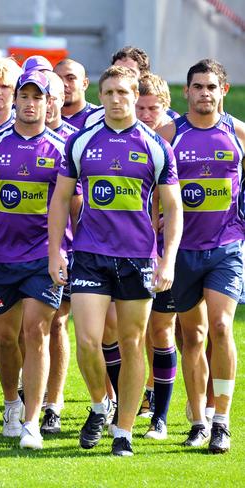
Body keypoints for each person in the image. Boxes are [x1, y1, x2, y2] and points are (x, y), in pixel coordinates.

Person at [47, 65, 182, 456]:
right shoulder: (81, 142)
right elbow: (60, 200)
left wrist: (167, 259)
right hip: (89, 255)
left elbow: (173, 208)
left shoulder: (156, 146)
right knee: (88, 340)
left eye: (124, 93)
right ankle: (98, 404)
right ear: (101, 95)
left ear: (134, 95)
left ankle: (123, 431)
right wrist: (57, 251)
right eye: (109, 93)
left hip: (138, 258)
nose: (116, 99)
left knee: (132, 342)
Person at [159, 59, 245, 454]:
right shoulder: (167, 136)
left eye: (212, 86)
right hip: (181, 252)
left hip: (226, 247)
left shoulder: (239, 134)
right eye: (197, 86)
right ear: (186, 92)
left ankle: (222, 422)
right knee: (191, 336)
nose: (204, 93)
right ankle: (197, 421)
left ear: (223, 90)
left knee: (222, 327)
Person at [0, 70, 66, 449]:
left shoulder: (64, 148)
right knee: (6, 338)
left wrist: (61, 252)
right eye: (24, 96)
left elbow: (72, 206)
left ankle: (31, 419)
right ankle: (11, 402)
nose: (30, 103)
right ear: (14, 100)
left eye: (38, 97)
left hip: (41, 260)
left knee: (37, 332)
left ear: (49, 103)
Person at [39, 71, 81, 435]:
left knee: (56, 324)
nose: (47, 102)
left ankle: (53, 402)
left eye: (53, 95)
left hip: (64, 250)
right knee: (23, 330)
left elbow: (80, 205)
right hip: (15, 252)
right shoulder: (11, 138)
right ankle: (27, 393)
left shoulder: (74, 141)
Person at [135, 72, 177, 434]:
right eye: (141, 107)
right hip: (132, 249)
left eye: (153, 108)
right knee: (130, 330)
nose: (146, 114)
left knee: (163, 329)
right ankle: (127, 398)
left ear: (166, 107)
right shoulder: (128, 137)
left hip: (172, 250)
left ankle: (159, 409)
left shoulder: (173, 139)